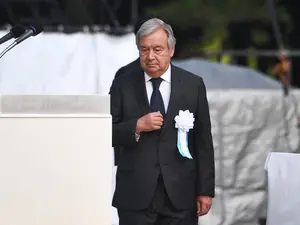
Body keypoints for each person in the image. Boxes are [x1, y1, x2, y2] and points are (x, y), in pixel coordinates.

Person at [110, 18, 215, 225]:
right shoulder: (122, 84)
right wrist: (137, 126)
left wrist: (205, 190)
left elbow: (203, 141)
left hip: (180, 194)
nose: (150, 57)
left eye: (157, 49)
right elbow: (104, 132)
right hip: (136, 195)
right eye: (144, 50)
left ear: (171, 49)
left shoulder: (193, 85)